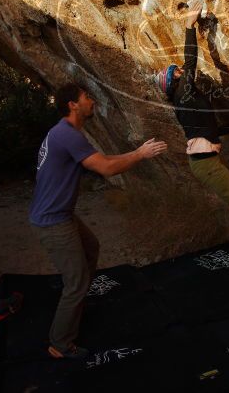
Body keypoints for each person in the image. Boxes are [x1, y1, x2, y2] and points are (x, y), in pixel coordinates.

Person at [28, 82, 167, 361]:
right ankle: (60, 343)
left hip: (60, 215)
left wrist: (135, 151)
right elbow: (105, 169)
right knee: (76, 281)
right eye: (86, 97)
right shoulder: (67, 134)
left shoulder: (65, 133)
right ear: (73, 105)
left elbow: (102, 159)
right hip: (53, 221)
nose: (92, 101)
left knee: (91, 248)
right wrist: (140, 155)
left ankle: (76, 307)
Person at [154, 1, 229, 256]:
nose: (182, 70)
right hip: (205, 164)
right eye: (177, 72)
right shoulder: (184, 94)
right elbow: (191, 60)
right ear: (174, 80)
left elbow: (209, 130)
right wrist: (189, 26)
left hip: (207, 159)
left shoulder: (187, 101)